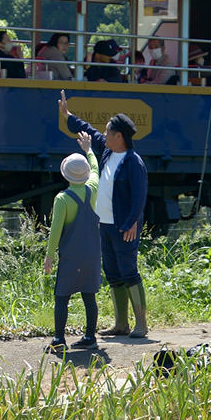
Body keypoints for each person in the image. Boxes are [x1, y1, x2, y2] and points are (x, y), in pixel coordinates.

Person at [60, 90, 149, 337]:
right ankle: (121, 323)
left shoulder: (133, 162)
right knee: (112, 272)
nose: (105, 135)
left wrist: (132, 222)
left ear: (119, 136)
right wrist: (69, 116)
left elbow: (139, 195)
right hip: (105, 224)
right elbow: (90, 131)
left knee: (129, 271)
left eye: (109, 132)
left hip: (124, 226)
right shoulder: (109, 151)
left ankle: (141, 323)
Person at [42, 133, 102, 353]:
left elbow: (56, 231)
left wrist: (49, 256)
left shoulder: (62, 199)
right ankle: (90, 337)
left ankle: (59, 339)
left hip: (71, 255)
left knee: (62, 296)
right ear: (85, 175)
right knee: (89, 295)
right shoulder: (92, 189)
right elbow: (95, 169)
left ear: (65, 174)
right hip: (93, 253)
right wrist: (89, 149)